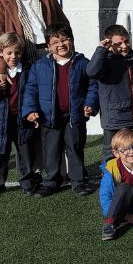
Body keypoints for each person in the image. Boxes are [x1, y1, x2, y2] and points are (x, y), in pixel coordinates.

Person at [22, 23, 98, 197]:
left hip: (75, 116)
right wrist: (30, 110)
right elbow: (31, 89)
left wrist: (90, 104)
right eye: (55, 41)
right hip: (49, 117)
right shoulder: (40, 66)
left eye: (65, 39)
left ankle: (78, 181)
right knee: (51, 150)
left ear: (71, 41)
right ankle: (51, 182)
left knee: (75, 148)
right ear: (48, 46)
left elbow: (93, 86)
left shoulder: (83, 63)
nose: (61, 44)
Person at [0, 33, 40, 197]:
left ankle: (28, 184)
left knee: (26, 156)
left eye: (17, 52)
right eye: (9, 53)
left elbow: (35, 92)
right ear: (0, 52)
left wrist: (33, 112)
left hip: (22, 120)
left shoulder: (28, 69)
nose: (13, 56)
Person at [88, 24, 133, 162]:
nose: (124, 46)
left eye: (126, 41)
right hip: (114, 116)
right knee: (112, 152)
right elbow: (91, 72)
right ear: (109, 44)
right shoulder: (104, 59)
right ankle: (109, 180)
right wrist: (101, 50)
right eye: (119, 44)